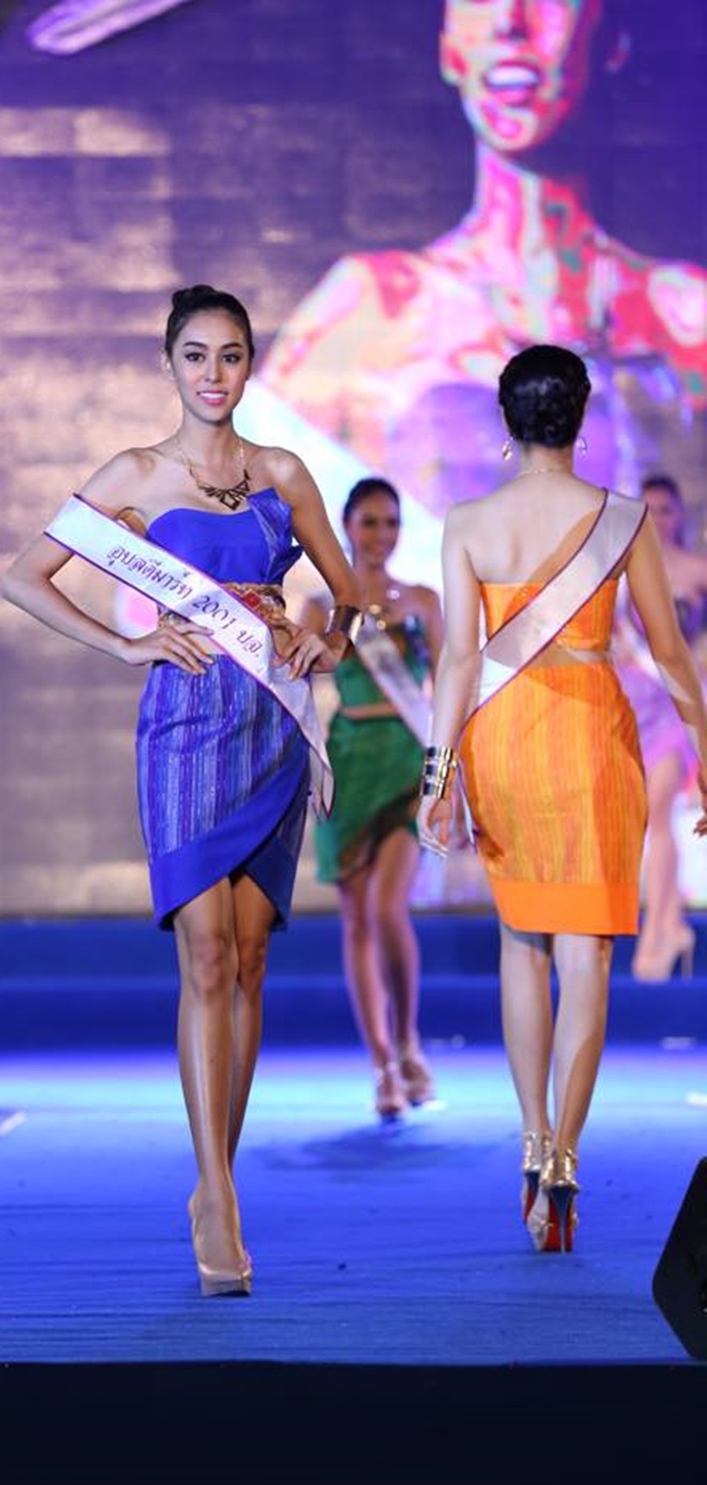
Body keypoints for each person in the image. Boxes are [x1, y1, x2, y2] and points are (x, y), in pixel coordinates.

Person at [1, 284, 360, 1296]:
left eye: (230, 355)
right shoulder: (133, 474)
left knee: (248, 960)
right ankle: (220, 1196)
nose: (213, 374)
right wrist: (125, 644)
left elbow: (346, 596)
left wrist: (327, 638)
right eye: (195, 355)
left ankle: (216, 1180)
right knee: (204, 955)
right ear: (169, 364)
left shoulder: (282, 472)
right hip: (184, 722)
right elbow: (25, 577)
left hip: (271, 724)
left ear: (250, 365)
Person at [418, 344, 707, 1254]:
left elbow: (458, 661)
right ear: (581, 420)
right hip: (590, 737)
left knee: (522, 942)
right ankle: (568, 1159)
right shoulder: (621, 518)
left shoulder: (468, 522)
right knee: (587, 953)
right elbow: (670, 655)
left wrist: (438, 779)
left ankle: (531, 1139)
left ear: (507, 424)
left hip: (503, 741)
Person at [248, 0, 705, 572]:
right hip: (435, 628)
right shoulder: (370, 310)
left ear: (609, 40)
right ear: (450, 47)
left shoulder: (683, 317)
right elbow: (246, 542)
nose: (510, 21)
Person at [302, 477, 443, 1119]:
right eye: (369, 522)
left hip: (408, 762)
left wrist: (453, 773)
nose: (380, 535)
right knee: (357, 918)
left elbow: (451, 684)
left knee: (389, 909)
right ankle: (383, 1062)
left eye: (391, 522)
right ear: (347, 526)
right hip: (348, 763)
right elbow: (297, 684)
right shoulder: (323, 607)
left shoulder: (423, 601)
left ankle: (410, 1040)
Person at [615, 474, 707, 979]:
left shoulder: (697, 569)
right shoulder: (621, 571)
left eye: (666, 509)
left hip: (675, 703)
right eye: (647, 509)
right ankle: (671, 924)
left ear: (679, 515)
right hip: (634, 703)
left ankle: (657, 931)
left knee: (659, 809)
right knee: (646, 818)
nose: (658, 519)